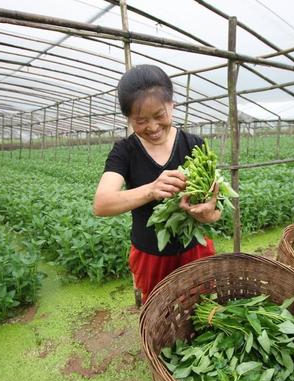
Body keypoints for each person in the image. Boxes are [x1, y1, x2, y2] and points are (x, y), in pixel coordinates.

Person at [93, 64, 220, 303]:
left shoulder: (194, 145)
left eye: (160, 116)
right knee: (160, 310)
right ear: (128, 118)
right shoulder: (125, 152)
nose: (152, 127)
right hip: (151, 255)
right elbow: (102, 204)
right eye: (140, 120)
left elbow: (216, 211)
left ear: (172, 105)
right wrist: (151, 189)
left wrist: (207, 214)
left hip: (195, 249)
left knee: (202, 305)